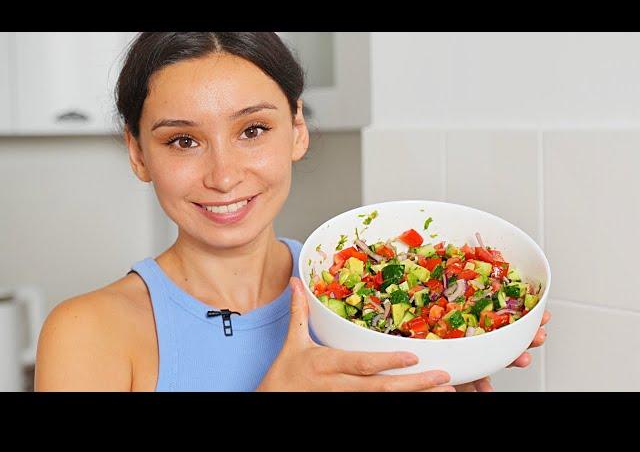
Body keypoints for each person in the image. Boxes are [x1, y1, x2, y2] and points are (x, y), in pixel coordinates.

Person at [34, 32, 550, 391]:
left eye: (252, 130)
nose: (224, 174)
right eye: (184, 140)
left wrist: (444, 366)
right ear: (138, 153)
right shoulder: (88, 331)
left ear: (297, 130)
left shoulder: (359, 303)